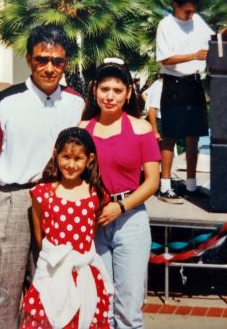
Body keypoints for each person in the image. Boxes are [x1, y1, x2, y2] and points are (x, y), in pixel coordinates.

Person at [0, 25, 85, 329]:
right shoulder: (5, 103)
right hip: (11, 202)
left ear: (65, 63)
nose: (49, 68)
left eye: (57, 61)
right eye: (42, 59)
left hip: (55, 200)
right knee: (1, 290)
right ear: (29, 60)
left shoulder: (76, 103)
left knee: (48, 288)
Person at [80, 58, 161, 328]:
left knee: (128, 309)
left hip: (131, 221)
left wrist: (122, 206)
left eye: (117, 90)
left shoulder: (141, 129)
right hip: (94, 223)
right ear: (94, 91)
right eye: (104, 89)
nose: (110, 96)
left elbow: (152, 182)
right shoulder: (83, 130)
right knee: (99, 304)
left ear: (128, 93)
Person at [21, 127, 113, 328]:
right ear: (56, 155)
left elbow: (90, 233)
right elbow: (40, 235)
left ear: (89, 160)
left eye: (78, 159)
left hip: (84, 274)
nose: (71, 165)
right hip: (52, 272)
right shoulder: (42, 192)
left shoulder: (95, 194)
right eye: (65, 157)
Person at [155, 0, 227, 204]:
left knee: (194, 136)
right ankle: (165, 186)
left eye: (192, 12)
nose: (190, 16)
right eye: (186, 12)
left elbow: (212, 39)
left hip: (195, 83)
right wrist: (192, 55)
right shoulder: (165, 25)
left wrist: (224, 34)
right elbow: (164, 59)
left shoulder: (197, 20)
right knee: (170, 135)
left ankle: (191, 185)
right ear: (175, 6)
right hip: (174, 83)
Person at [145, 76, 163, 142]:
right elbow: (152, 109)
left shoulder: (157, 84)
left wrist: (147, 103)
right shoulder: (160, 85)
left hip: (158, 121)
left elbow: (144, 94)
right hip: (158, 122)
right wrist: (155, 133)